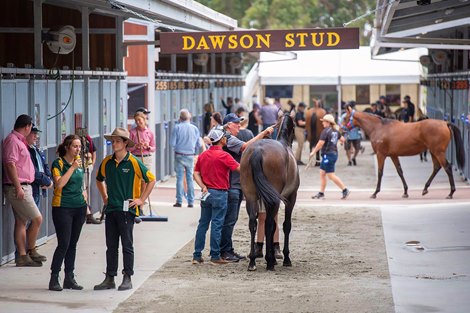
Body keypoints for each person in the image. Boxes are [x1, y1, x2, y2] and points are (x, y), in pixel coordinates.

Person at [94, 127, 156, 291]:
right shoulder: (107, 162)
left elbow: (151, 179)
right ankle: (109, 278)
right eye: (112, 141)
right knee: (111, 246)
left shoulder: (134, 162)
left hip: (128, 210)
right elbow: (99, 180)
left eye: (117, 141)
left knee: (127, 245)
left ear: (125, 143)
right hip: (111, 209)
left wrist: (141, 200)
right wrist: (105, 197)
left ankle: (127, 277)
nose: (114, 144)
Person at [219, 113, 274, 262]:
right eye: (236, 123)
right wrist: (263, 134)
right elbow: (244, 147)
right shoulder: (229, 139)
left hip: (235, 184)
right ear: (229, 125)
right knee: (229, 220)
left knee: (231, 219)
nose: (239, 125)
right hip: (232, 184)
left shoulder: (228, 137)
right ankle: (224, 251)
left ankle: (228, 249)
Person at [3, 114, 46, 267]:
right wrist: (18, 187)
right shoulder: (13, 141)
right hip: (19, 187)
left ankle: (22, 255)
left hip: (25, 185)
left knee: (21, 221)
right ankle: (31, 249)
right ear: (27, 126)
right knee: (37, 218)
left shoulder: (19, 141)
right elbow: (10, 164)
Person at [192, 129, 240, 265]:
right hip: (220, 193)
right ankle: (214, 255)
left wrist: (203, 186)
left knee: (203, 224)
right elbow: (240, 169)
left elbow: (195, 173)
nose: (226, 139)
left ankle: (197, 255)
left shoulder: (204, 155)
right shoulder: (224, 156)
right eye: (225, 137)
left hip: (206, 193)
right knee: (217, 225)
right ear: (222, 140)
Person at [49, 134, 88, 291]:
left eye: (79, 146)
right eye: (75, 146)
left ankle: (69, 277)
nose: (78, 149)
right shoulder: (58, 163)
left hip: (79, 207)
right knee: (63, 243)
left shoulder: (80, 163)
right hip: (62, 207)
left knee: (73, 244)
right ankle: (54, 277)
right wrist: (72, 168)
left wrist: (85, 193)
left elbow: (81, 181)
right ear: (67, 147)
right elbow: (59, 185)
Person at [310, 114, 350, 200]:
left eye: (324, 121)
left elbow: (320, 143)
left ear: (328, 122)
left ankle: (345, 190)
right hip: (332, 154)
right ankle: (321, 193)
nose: (322, 123)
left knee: (331, 175)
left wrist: (313, 152)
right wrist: (346, 134)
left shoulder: (325, 131)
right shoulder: (335, 131)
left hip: (328, 155)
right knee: (322, 173)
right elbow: (342, 139)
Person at [170, 109, 201, 208]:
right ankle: (191, 202)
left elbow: (172, 143)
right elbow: (198, 144)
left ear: (180, 118)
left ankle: (179, 201)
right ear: (189, 117)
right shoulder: (195, 128)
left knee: (179, 178)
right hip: (190, 155)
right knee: (190, 179)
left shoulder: (177, 128)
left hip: (179, 154)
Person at [129, 111, 156, 214]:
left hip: (146, 158)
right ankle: (134, 205)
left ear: (144, 120)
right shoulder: (132, 132)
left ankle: (141, 206)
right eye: (136, 121)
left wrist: (148, 147)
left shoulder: (150, 133)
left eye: (139, 120)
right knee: (135, 181)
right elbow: (127, 148)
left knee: (145, 181)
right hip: (136, 157)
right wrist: (135, 146)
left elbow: (154, 148)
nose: (138, 122)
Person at [26, 126, 53, 207]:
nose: (36, 136)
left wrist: (49, 177)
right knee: (34, 217)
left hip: (39, 186)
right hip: (32, 186)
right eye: (33, 133)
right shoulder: (27, 149)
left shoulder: (34, 147)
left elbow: (44, 164)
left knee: (36, 216)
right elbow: (33, 171)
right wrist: (47, 182)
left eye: (36, 134)